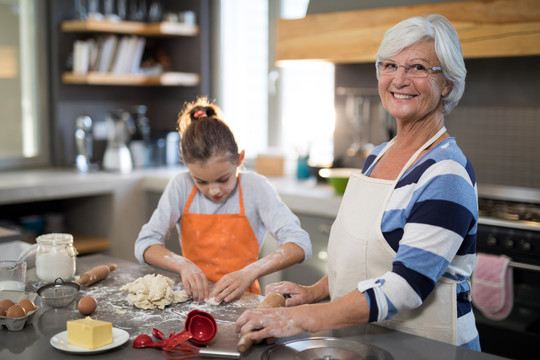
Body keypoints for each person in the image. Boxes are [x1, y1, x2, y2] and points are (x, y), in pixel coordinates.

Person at [236, 14, 480, 350]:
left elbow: (406, 286)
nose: (399, 79)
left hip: (430, 350)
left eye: (418, 67)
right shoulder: (377, 157)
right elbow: (359, 261)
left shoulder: (446, 174)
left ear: (447, 83)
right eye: (389, 65)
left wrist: (301, 317)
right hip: (369, 346)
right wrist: (314, 292)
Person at [134, 97, 312, 303]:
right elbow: (145, 244)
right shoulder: (181, 186)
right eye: (201, 181)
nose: (214, 190)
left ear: (240, 159)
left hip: (245, 302)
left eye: (223, 179)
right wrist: (183, 265)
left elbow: (300, 244)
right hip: (195, 301)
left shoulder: (256, 188)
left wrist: (250, 271)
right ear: (186, 166)